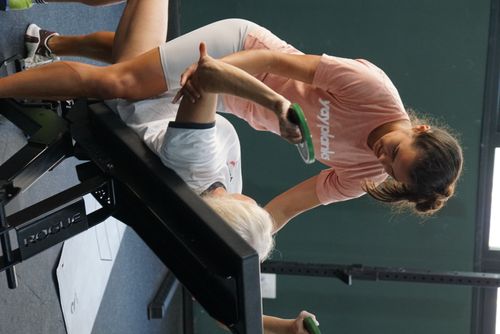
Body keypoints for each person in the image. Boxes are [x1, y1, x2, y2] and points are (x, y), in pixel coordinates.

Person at [0, 4, 463, 235]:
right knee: (119, 82)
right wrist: (212, 75)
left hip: (226, 96)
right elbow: (283, 66)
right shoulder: (375, 91)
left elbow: (284, 208)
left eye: (390, 169)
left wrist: (245, 239)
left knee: (137, 63)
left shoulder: (364, 174)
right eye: (396, 151)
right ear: (419, 129)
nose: (382, 157)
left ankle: (49, 43)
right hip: (244, 51)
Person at [1, 0, 320, 332]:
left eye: (255, 208)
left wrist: (274, 102)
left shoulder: (198, 164)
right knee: (146, 47)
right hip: (149, 109)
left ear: (239, 212)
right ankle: (48, 43)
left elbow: (208, 75)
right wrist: (284, 328)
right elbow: (229, 313)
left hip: (138, 97)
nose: (258, 203)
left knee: (142, 56)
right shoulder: (205, 218)